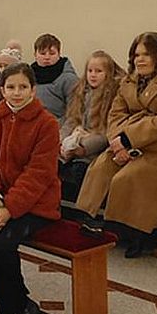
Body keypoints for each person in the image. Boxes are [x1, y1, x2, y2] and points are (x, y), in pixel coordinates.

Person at [0, 62, 60, 314]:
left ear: (33, 90)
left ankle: (13, 306)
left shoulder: (46, 123)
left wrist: (9, 209)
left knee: (2, 245)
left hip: (36, 203)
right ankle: (19, 304)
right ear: (2, 90)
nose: (17, 92)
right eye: (11, 87)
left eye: (23, 87)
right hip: (0, 201)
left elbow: (39, 173)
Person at [75, 32, 157, 259]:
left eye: (146, 55)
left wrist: (128, 139)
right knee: (101, 165)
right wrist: (118, 143)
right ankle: (89, 218)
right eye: (136, 55)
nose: (140, 60)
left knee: (127, 177)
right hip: (123, 141)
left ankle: (133, 233)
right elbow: (115, 114)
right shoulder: (128, 80)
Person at [59, 51, 124, 201]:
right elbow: (71, 119)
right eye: (90, 71)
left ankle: (83, 208)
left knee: (80, 171)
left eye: (98, 71)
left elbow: (108, 131)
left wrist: (83, 147)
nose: (93, 75)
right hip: (74, 143)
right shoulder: (80, 91)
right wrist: (61, 141)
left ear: (108, 73)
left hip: (95, 149)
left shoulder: (113, 96)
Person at [31, 33, 79, 122]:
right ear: (35, 55)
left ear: (59, 54)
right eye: (42, 53)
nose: (47, 57)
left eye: (52, 53)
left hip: (58, 124)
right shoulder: (27, 77)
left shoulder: (69, 79)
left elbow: (74, 113)